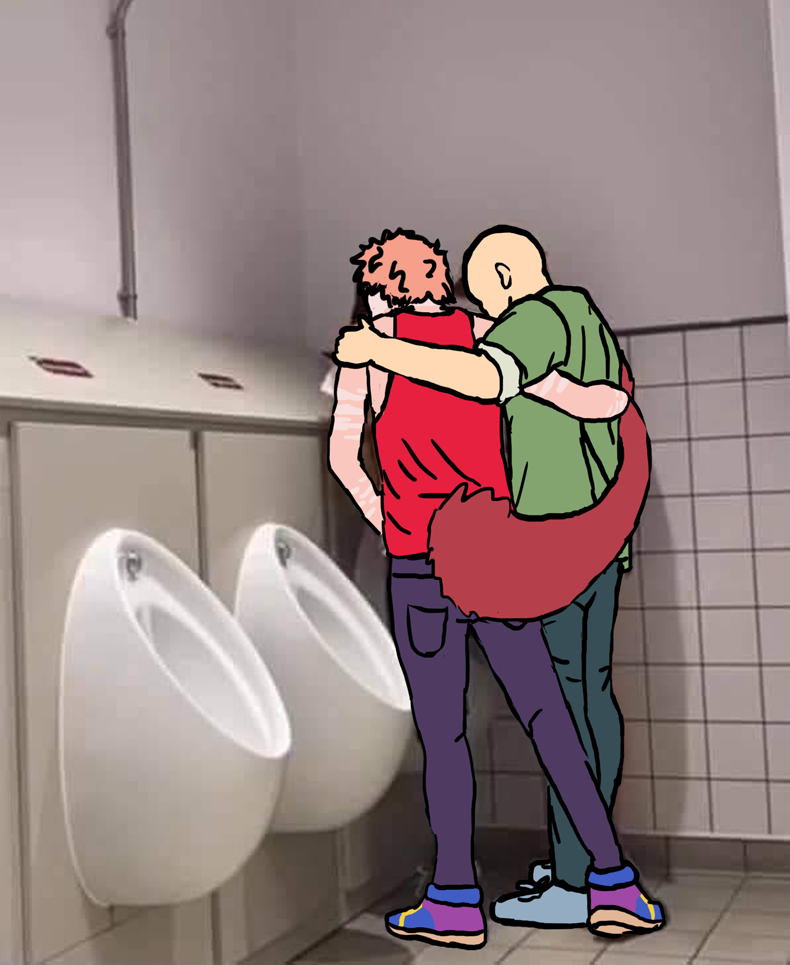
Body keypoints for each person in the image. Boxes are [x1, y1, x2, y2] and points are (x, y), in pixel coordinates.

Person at [329, 227, 663, 950]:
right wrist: (609, 402)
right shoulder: (481, 334)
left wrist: (388, 520)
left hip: (422, 560)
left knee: (444, 734)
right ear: (440, 279)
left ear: (376, 291)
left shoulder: (367, 353)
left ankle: (454, 898)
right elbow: (582, 401)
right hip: (492, 551)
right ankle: (614, 882)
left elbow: (344, 455)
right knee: (549, 716)